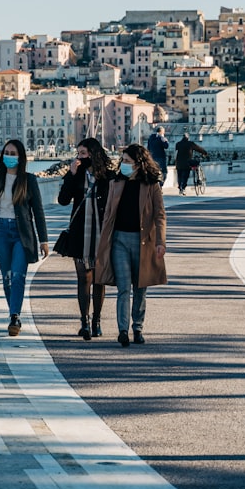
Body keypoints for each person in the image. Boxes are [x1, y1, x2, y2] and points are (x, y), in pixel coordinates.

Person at [93, 144, 167, 347]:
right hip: (119, 241)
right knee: (124, 288)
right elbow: (108, 214)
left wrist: (161, 241)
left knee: (140, 287)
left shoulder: (152, 184)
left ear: (138, 163)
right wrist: (103, 241)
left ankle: (138, 327)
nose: (123, 164)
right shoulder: (115, 183)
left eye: (127, 161)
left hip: (143, 242)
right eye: (122, 160)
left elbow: (160, 215)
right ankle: (123, 330)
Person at [0, 140, 49, 337]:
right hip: (0, 230)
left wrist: (43, 240)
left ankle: (14, 316)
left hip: (22, 233)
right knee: (7, 277)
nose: (9, 156)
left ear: (20, 157)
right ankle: (14, 313)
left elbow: (38, 210)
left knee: (18, 276)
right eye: (7, 152)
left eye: (13, 153)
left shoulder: (29, 180)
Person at [56, 138, 115, 340]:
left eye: (83, 153)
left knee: (99, 279)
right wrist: (72, 175)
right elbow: (63, 200)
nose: (79, 157)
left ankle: (97, 321)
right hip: (81, 233)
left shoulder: (108, 175)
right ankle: (84, 322)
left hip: (102, 233)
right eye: (78, 153)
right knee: (84, 278)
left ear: (93, 153)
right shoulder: (75, 173)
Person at [174, 131, 208, 195]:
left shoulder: (178, 144)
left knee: (180, 176)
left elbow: (175, 154)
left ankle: (180, 188)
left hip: (179, 163)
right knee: (185, 176)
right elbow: (199, 149)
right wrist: (205, 153)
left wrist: (175, 161)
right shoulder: (190, 144)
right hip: (187, 163)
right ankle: (183, 188)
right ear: (188, 138)